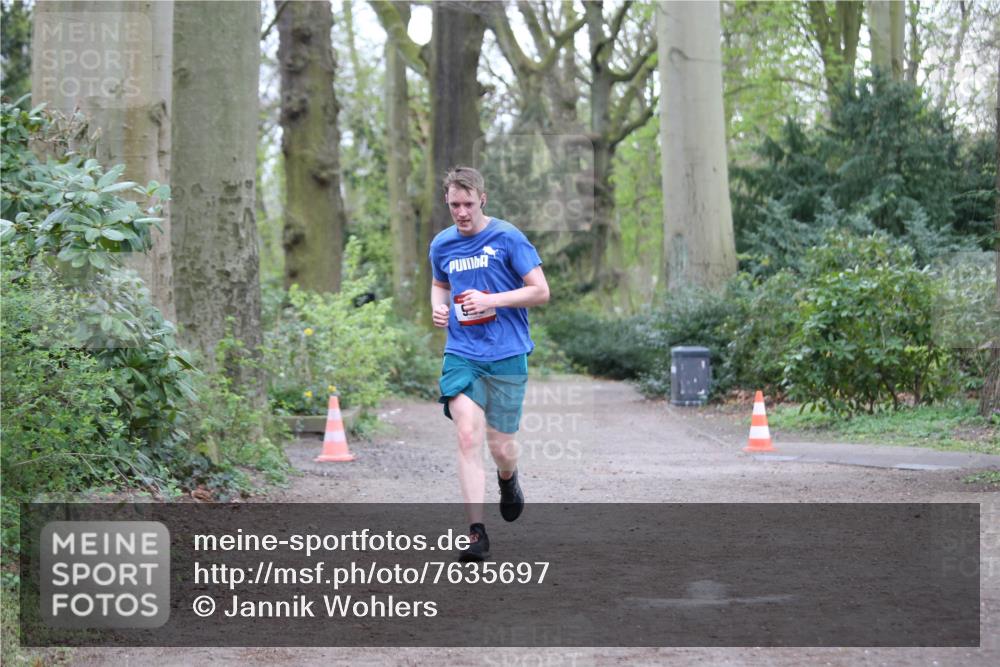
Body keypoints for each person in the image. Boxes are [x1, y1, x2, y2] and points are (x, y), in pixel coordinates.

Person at [429, 166, 550, 562]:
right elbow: (440, 284)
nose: (461, 212)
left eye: (467, 204)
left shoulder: (508, 237)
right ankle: (475, 533)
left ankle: (508, 478)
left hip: (507, 353)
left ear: (482, 199)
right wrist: (437, 308)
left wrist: (491, 301)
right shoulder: (442, 245)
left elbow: (540, 291)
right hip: (462, 353)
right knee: (467, 434)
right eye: (453, 205)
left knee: (501, 447)